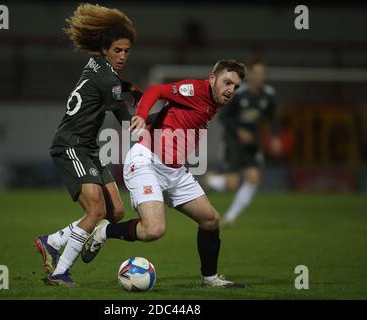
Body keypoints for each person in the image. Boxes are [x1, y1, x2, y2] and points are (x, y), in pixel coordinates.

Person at [82, 59, 247, 288]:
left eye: (236, 86)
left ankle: (209, 279)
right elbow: (156, 90)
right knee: (154, 230)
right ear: (212, 78)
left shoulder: (214, 102)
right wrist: (140, 114)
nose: (231, 90)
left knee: (210, 220)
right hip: (146, 161)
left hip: (174, 171)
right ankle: (104, 231)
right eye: (227, 82)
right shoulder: (195, 90)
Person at [34, 3, 148, 287]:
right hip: (71, 146)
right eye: (118, 50)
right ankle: (59, 273)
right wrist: (160, 115)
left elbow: (111, 86)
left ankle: (53, 241)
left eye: (127, 51)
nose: (122, 56)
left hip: (89, 148)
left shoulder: (97, 65)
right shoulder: (108, 78)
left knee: (116, 212)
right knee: (96, 212)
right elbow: (127, 120)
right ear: (106, 49)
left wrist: (128, 87)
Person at [206, 58, 281, 227]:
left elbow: (273, 117)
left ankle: (230, 218)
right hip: (233, 141)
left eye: (262, 74)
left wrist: (275, 137)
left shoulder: (268, 94)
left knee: (253, 178)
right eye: (256, 73)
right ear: (251, 75)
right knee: (232, 184)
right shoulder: (239, 93)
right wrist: (239, 130)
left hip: (252, 142)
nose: (259, 77)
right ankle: (211, 180)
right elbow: (224, 117)